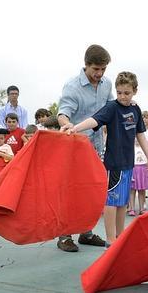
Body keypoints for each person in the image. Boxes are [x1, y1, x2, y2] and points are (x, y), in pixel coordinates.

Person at [68, 71, 148, 247]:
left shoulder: (135, 109)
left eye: (127, 93)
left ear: (135, 91)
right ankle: (110, 239)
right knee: (111, 201)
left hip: (129, 164)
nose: (122, 96)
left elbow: (140, 135)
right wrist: (76, 128)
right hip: (114, 164)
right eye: (119, 92)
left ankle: (120, 236)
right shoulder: (112, 107)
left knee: (122, 202)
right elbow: (94, 120)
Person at [56, 44, 114, 252]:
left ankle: (86, 232)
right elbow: (63, 113)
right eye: (95, 69)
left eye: (103, 69)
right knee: (71, 192)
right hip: (75, 149)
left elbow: (111, 110)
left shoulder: (107, 84)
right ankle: (64, 235)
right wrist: (66, 123)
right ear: (86, 65)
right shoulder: (72, 86)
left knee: (93, 191)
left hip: (98, 147)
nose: (99, 74)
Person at [129, 130, 148, 216]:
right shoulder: (130, 148)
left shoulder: (146, 148)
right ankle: (132, 208)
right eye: (135, 138)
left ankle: (142, 208)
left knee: (142, 190)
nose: (137, 140)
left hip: (143, 169)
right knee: (132, 190)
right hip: (133, 169)